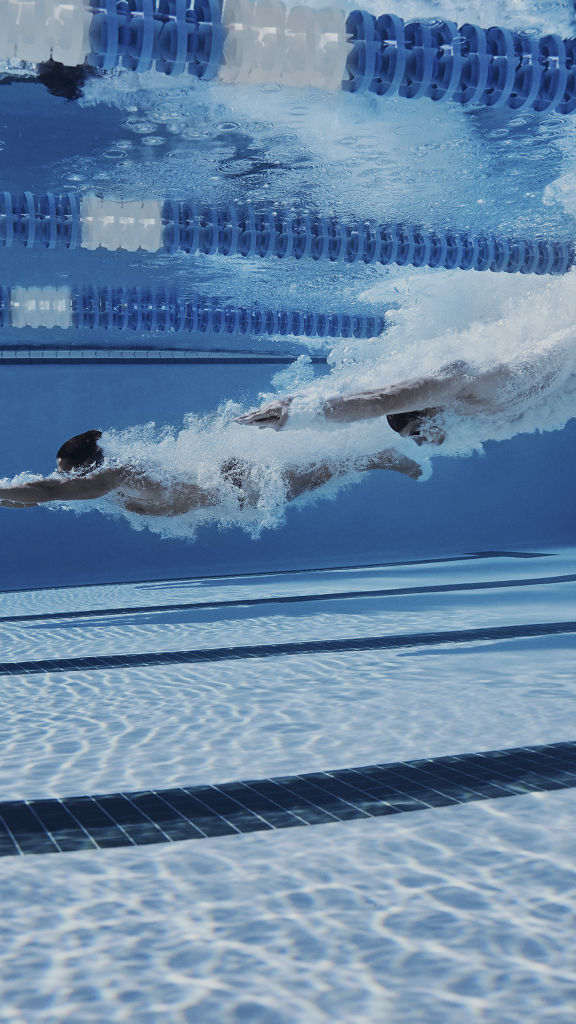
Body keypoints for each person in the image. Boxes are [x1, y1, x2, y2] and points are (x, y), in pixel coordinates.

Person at [0, 427, 422, 517]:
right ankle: (375, 455)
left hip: (239, 485)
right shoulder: (111, 485)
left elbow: (44, 490)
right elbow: (41, 492)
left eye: (71, 474)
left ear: (90, 468)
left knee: (319, 474)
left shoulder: (113, 476)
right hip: (231, 489)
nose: (68, 481)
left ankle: (380, 454)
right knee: (316, 476)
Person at [235, 359, 516, 438]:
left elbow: (382, 400)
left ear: (426, 409)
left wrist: (302, 413)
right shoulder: (459, 405)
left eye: (416, 431)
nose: (422, 441)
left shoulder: (457, 385)